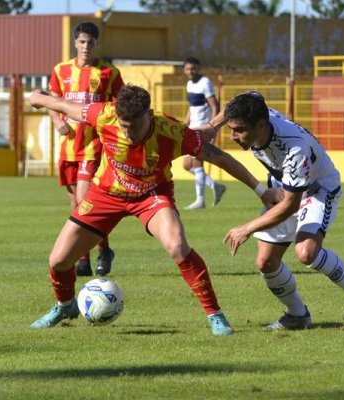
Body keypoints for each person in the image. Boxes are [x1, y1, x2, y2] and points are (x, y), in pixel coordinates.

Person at [28, 84, 276, 336]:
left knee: (178, 246)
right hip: (105, 194)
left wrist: (261, 191)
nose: (128, 133)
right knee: (58, 260)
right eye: (124, 127)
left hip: (151, 195)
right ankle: (66, 306)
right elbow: (65, 106)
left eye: (134, 126)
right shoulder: (104, 114)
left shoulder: (172, 131)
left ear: (149, 114)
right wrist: (38, 98)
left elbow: (220, 158)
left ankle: (215, 314)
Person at [213, 92, 344, 330]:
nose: (233, 136)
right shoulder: (259, 112)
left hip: (318, 189)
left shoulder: (295, 150)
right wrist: (212, 126)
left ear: (261, 125)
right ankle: (298, 315)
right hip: (286, 186)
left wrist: (247, 228)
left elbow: (290, 205)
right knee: (266, 262)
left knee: (306, 252)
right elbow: (248, 95)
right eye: (231, 128)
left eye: (239, 130)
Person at [48, 21, 124, 277]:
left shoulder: (108, 73)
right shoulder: (61, 70)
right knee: (75, 205)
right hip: (68, 147)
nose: (86, 46)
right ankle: (90, 256)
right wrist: (57, 120)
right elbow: (52, 101)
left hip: (94, 146)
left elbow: (121, 105)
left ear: (96, 44)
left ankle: (96, 253)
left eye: (90, 42)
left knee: (84, 200)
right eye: (81, 41)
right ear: (75, 43)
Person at [181, 56, 226, 210]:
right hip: (192, 127)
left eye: (193, 68)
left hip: (203, 127)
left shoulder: (205, 83)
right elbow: (192, 106)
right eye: (187, 69)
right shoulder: (189, 84)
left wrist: (212, 127)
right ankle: (215, 186)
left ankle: (200, 200)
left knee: (197, 162)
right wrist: (186, 122)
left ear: (198, 68)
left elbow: (215, 106)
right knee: (187, 165)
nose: (190, 71)